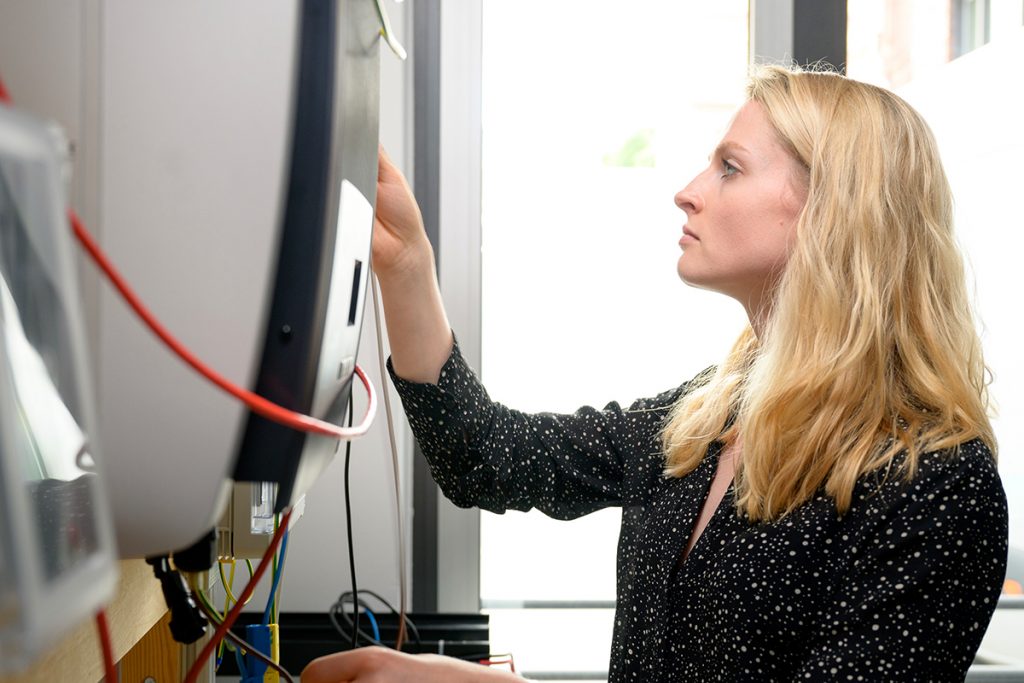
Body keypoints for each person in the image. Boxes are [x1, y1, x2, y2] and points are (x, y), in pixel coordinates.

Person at [303, 65, 1008, 682]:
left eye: (729, 166)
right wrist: (405, 266)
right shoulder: (708, 417)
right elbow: (484, 457)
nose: (688, 191)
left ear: (831, 208)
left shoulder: (937, 485)